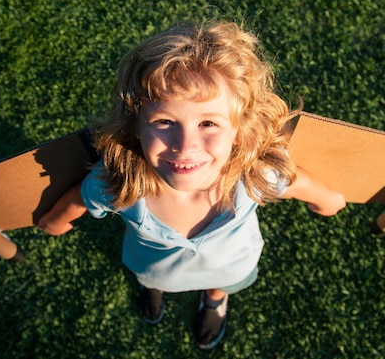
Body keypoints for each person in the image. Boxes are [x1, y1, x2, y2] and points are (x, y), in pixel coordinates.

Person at [38, 20, 346, 350]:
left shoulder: (254, 174)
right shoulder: (120, 180)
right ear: (136, 126)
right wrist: (56, 219)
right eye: (165, 122)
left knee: (221, 283)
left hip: (230, 266)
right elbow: (82, 197)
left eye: (208, 123)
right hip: (154, 269)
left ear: (240, 129)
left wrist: (328, 200)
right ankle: (154, 289)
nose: (185, 146)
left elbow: (297, 182)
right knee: (154, 278)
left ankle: (214, 300)